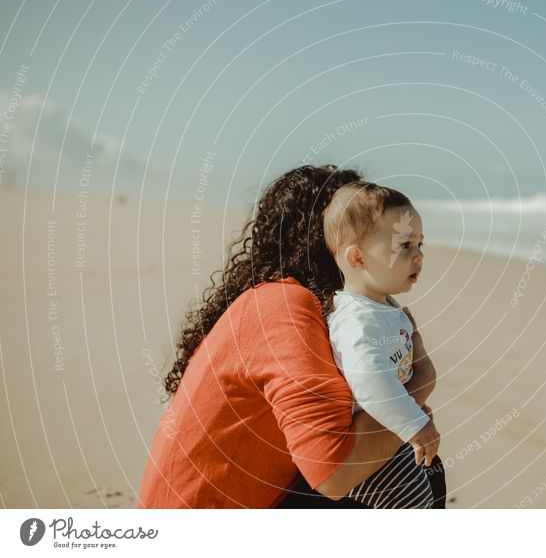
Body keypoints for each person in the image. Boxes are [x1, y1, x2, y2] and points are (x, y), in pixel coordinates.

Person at [137, 164, 444, 508]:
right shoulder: (283, 307)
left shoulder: (281, 298)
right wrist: (421, 384)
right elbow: (333, 475)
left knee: (412, 461)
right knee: (415, 464)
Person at [319, 181, 439, 509]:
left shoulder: (382, 307)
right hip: (372, 451)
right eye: (404, 246)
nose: (418, 255)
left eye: (420, 244)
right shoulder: (356, 319)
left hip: (393, 435)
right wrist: (413, 423)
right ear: (357, 257)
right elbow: (369, 382)